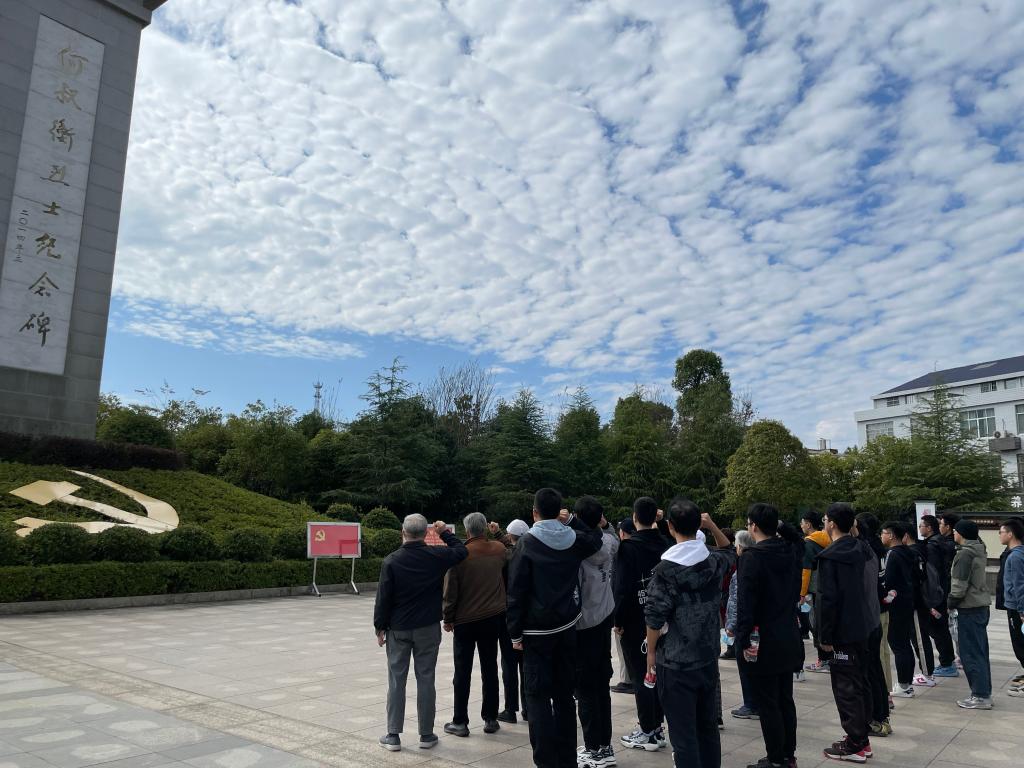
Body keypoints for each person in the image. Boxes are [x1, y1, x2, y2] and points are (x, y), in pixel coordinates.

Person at [507, 488, 602, 768]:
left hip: (536, 632)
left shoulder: (526, 543)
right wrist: (572, 520)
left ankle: (546, 761)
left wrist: (514, 633)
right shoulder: (573, 539)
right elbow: (596, 537)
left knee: (537, 698)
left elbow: (516, 592)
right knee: (564, 696)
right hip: (567, 626)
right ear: (559, 511)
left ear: (534, 512)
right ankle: (567, 759)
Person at [644, 500, 734, 768]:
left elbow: (654, 617)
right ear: (699, 526)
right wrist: (712, 525)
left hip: (676, 661)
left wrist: (650, 652)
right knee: (707, 727)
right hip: (707, 655)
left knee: (683, 734)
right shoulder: (713, 561)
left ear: (670, 526)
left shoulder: (665, 571)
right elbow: (729, 551)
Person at [374, 515, 468, 752]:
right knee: (426, 678)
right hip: (427, 626)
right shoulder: (436, 556)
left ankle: (393, 735)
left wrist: (379, 626)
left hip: (398, 627)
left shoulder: (392, 561)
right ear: (426, 534)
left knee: (397, 679)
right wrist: (444, 532)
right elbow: (461, 550)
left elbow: (383, 598)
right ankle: (426, 734)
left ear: (402, 532)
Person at [735, 503, 803, 768]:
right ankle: (788, 754)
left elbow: (746, 604)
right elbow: (798, 538)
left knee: (768, 702)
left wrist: (742, 640)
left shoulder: (752, 557)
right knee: (785, 698)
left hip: (763, 639)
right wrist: (780, 525)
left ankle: (775, 758)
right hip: (788, 633)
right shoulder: (790, 550)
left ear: (752, 526)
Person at [817, 504, 879, 762]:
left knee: (845, 687)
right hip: (863, 625)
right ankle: (862, 738)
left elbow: (828, 599)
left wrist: (825, 637)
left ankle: (855, 743)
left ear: (831, 523)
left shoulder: (831, 556)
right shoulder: (862, 548)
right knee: (860, 682)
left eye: (825, 519)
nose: (824, 523)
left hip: (842, 630)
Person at [442, 512, 510, 737]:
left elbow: (450, 591)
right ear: (485, 528)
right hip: (493, 617)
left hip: (465, 620)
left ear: (467, 530)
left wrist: (448, 618)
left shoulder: (460, 555)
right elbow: (513, 549)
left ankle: (460, 721)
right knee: (490, 668)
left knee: (462, 671)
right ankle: (490, 718)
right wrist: (498, 534)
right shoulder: (498, 550)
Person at [614, 497, 670, 751]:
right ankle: (656, 727)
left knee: (641, 676)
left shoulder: (628, 548)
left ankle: (648, 730)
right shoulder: (665, 543)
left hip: (636, 619)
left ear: (635, 518)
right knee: (657, 673)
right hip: (662, 617)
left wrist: (618, 620)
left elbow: (622, 588)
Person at [574, 496, 620, 768]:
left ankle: (594, 750)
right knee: (602, 685)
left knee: (585, 689)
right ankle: (605, 745)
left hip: (584, 623)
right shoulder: (610, 543)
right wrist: (604, 522)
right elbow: (612, 534)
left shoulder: (579, 549)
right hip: (604, 617)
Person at [855, 512, 893, 738]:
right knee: (879, 660)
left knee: (871, 665)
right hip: (879, 610)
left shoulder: (863, 551)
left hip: (870, 614)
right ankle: (883, 706)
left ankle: (877, 716)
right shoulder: (878, 549)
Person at [949, 519, 992, 709]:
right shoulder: (979, 549)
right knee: (980, 652)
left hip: (969, 608)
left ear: (961, 533)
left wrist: (950, 602)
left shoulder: (965, 554)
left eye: (955, 531)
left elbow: (959, 585)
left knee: (971, 654)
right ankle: (983, 692)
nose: (953, 533)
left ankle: (980, 696)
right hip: (980, 606)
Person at [497, 518, 530, 723]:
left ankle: (510, 709)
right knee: (527, 665)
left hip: (508, 615)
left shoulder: (507, 557)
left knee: (509, 666)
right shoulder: (531, 553)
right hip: (530, 617)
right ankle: (528, 708)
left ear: (510, 536)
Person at [917, 515, 958, 679]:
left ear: (928, 528)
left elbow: (932, 574)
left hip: (936, 594)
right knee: (940, 628)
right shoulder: (942, 542)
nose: (919, 528)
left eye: (921, 526)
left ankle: (947, 664)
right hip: (943, 591)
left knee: (938, 629)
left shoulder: (932, 546)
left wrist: (931, 597)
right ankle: (948, 662)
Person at [881, 521, 917, 699]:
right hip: (908, 600)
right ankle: (907, 683)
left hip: (895, 603)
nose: (882, 536)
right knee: (905, 643)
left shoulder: (892, 554)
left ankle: (904, 685)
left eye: (883, 533)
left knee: (897, 644)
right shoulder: (909, 552)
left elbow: (886, 580)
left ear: (891, 535)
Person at [800, 511, 832, 673]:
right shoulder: (829, 539)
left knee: (816, 625)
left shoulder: (809, 544)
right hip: (829, 587)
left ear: (809, 524)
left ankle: (823, 661)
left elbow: (806, 571)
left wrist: (801, 593)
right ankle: (830, 658)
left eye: (802, 522)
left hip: (814, 590)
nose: (801, 525)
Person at [998, 518, 1024, 696]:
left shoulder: (1015, 557)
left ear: (1010, 534)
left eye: (1001, 532)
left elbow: (1019, 585)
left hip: (1017, 608)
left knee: (1020, 645)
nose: (999, 535)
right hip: (1016, 607)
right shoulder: (1018, 554)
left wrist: (1022, 611)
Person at [610, 518, 637, 694]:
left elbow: (620, 586)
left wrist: (617, 618)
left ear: (622, 533)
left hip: (624, 609)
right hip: (640, 608)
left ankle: (628, 680)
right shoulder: (642, 549)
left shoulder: (622, 552)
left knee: (624, 647)